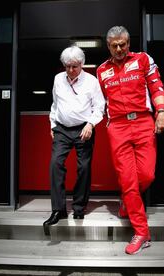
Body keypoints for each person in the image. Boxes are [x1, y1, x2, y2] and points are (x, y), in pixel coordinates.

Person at [96, 26, 164, 254]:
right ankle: (142, 232)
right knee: (128, 180)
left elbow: (156, 85)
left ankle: (127, 201)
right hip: (117, 127)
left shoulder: (143, 59)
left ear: (129, 43)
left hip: (142, 123)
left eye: (123, 44)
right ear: (108, 46)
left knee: (147, 174)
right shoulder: (101, 70)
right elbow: (98, 101)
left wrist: (160, 111)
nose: (119, 49)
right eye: (114, 45)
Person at [43, 46, 105, 233]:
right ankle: (58, 209)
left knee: (84, 167)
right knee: (55, 164)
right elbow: (55, 103)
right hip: (62, 128)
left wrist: (91, 125)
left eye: (75, 67)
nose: (70, 71)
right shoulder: (58, 79)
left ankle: (79, 207)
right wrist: (53, 123)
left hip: (83, 128)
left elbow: (100, 106)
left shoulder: (92, 81)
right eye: (67, 66)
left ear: (82, 64)